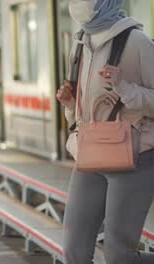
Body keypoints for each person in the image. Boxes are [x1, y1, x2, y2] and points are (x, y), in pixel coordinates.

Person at [57, 1, 154, 263]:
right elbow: (81, 112)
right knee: (74, 251)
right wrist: (70, 105)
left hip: (135, 157)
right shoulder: (79, 43)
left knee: (119, 256)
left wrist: (123, 87)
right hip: (89, 157)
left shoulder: (137, 42)